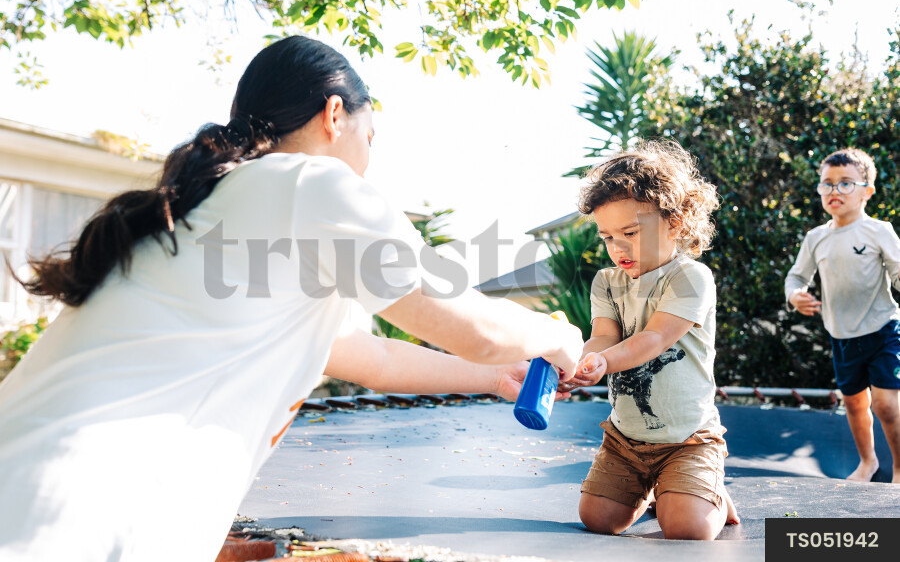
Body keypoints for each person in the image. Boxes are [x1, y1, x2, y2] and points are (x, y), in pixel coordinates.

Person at [0, 35, 584, 562]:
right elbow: (470, 325)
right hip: (79, 516)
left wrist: (493, 378)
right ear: (335, 115)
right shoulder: (311, 184)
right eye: (370, 136)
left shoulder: (211, 206)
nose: (370, 157)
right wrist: (554, 335)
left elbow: (369, 357)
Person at [559, 140, 738, 540]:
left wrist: (605, 363)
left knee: (687, 529)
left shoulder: (690, 277)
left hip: (688, 438)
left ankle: (706, 489)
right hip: (626, 439)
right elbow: (603, 337)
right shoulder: (607, 282)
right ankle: (661, 488)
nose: (617, 246)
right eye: (606, 236)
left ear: (674, 223)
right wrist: (578, 363)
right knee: (598, 519)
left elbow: (654, 338)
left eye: (630, 232)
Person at [785, 148, 900, 483]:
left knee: (887, 406)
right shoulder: (816, 238)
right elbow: (796, 277)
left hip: (883, 329)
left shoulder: (879, 231)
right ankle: (868, 463)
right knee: (853, 405)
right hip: (842, 336)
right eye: (827, 184)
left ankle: (898, 470)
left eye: (846, 183)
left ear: (867, 191)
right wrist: (795, 296)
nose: (834, 191)